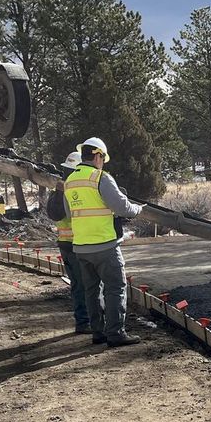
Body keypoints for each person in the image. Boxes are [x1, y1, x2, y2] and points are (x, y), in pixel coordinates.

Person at [63, 137, 143, 347]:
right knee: (115, 288)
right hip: (105, 245)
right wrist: (138, 209)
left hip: (81, 247)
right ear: (97, 155)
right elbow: (122, 207)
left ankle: (98, 332)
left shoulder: (70, 181)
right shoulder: (100, 178)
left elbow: (69, 213)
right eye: (103, 158)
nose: (102, 163)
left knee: (91, 291)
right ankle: (115, 334)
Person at [46, 151, 90, 334]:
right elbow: (57, 213)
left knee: (79, 285)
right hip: (76, 244)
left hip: (67, 244)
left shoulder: (60, 190)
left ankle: (86, 320)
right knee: (83, 285)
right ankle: (84, 322)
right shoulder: (69, 191)